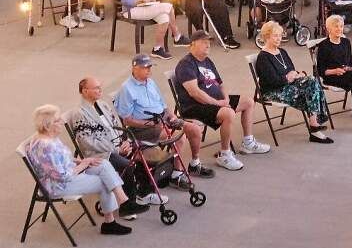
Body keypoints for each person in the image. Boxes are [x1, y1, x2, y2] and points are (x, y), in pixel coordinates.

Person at [24, 104, 132, 235]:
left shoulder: (48, 137)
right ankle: (110, 223)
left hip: (70, 173)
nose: (61, 122)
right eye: (58, 120)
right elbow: (63, 176)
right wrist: (84, 164)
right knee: (105, 180)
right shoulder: (46, 147)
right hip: (59, 185)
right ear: (48, 125)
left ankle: (124, 202)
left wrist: (81, 161)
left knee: (103, 164)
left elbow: (64, 158)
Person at [114, 53, 213, 184]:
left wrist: (171, 116)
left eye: (150, 66)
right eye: (145, 67)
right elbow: (127, 120)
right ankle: (176, 174)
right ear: (135, 68)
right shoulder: (126, 89)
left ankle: (194, 164)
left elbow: (163, 105)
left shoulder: (150, 82)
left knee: (194, 129)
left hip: (162, 119)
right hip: (144, 128)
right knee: (179, 136)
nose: (149, 70)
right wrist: (151, 124)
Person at [175, 30, 269, 167]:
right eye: (203, 42)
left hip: (216, 101)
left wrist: (225, 99)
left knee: (248, 102)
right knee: (228, 113)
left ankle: (248, 143)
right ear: (192, 44)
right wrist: (218, 103)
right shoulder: (186, 64)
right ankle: (225, 154)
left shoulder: (207, 61)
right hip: (195, 106)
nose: (208, 45)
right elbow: (194, 93)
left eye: (209, 42)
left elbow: (221, 84)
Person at [69, 77, 152, 214]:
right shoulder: (79, 113)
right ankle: (128, 205)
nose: (100, 90)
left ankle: (144, 193)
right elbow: (87, 142)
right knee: (127, 165)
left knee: (142, 153)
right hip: (101, 154)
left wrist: (125, 141)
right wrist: (116, 149)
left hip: (117, 145)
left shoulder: (103, 105)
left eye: (100, 86)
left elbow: (118, 127)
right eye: (96, 88)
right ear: (84, 91)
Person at [254, 21, 333, 142]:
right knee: (310, 88)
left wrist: (298, 74)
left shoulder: (282, 52)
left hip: (288, 85)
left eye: (280, 35)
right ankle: (315, 126)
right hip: (273, 91)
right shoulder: (263, 57)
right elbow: (273, 81)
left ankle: (314, 126)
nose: (278, 38)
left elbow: (291, 70)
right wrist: (288, 78)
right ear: (266, 37)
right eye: (275, 36)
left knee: (311, 81)